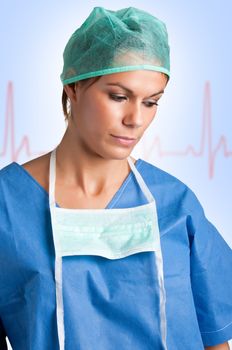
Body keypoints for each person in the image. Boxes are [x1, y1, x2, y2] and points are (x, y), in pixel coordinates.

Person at [0, 6, 231, 350]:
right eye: (119, 96)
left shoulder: (175, 204)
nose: (135, 119)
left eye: (151, 102)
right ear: (74, 86)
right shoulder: (7, 205)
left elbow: (216, 340)